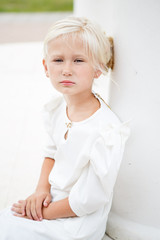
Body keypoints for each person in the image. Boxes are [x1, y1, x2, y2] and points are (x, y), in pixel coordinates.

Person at [0, 16, 130, 240]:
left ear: (98, 69)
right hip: (51, 201)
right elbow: (51, 153)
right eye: (58, 60)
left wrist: (40, 212)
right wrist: (40, 190)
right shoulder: (58, 107)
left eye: (78, 60)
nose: (66, 70)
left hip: (76, 222)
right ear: (45, 67)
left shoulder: (106, 130)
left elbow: (89, 199)